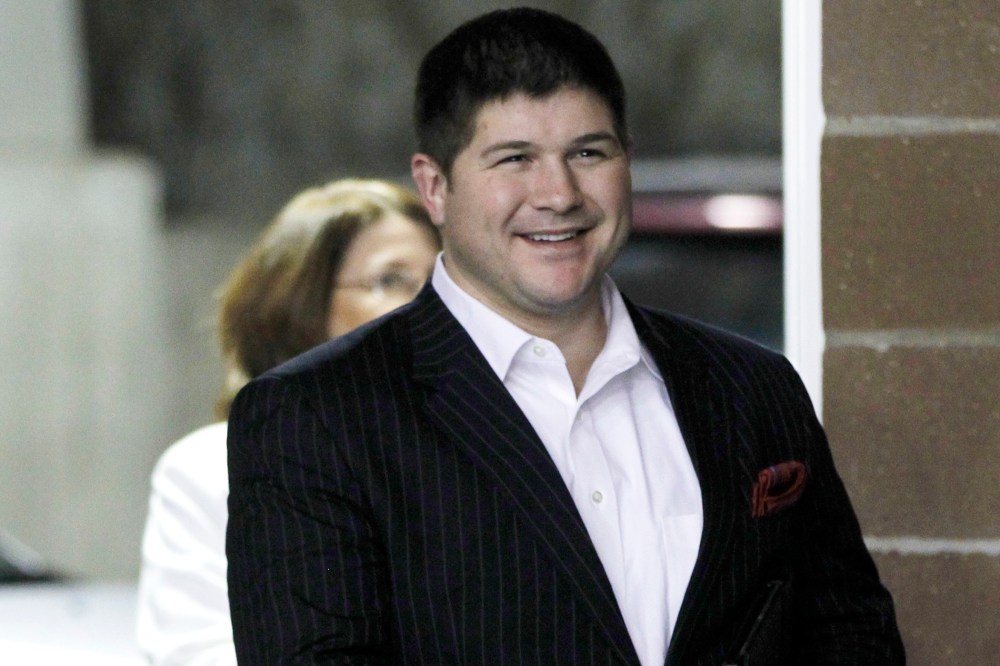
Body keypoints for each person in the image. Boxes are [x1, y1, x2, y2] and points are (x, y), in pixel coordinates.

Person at [226, 8, 905, 665]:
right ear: (434, 188)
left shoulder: (754, 387)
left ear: (627, 162)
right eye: (514, 158)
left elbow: (851, 635)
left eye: (588, 152)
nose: (558, 193)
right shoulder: (314, 417)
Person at [135, 178, 441, 666]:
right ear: (300, 307)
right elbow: (197, 652)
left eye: (441, 281)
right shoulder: (210, 466)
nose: (429, 306)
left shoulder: (477, 440)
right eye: (390, 280)